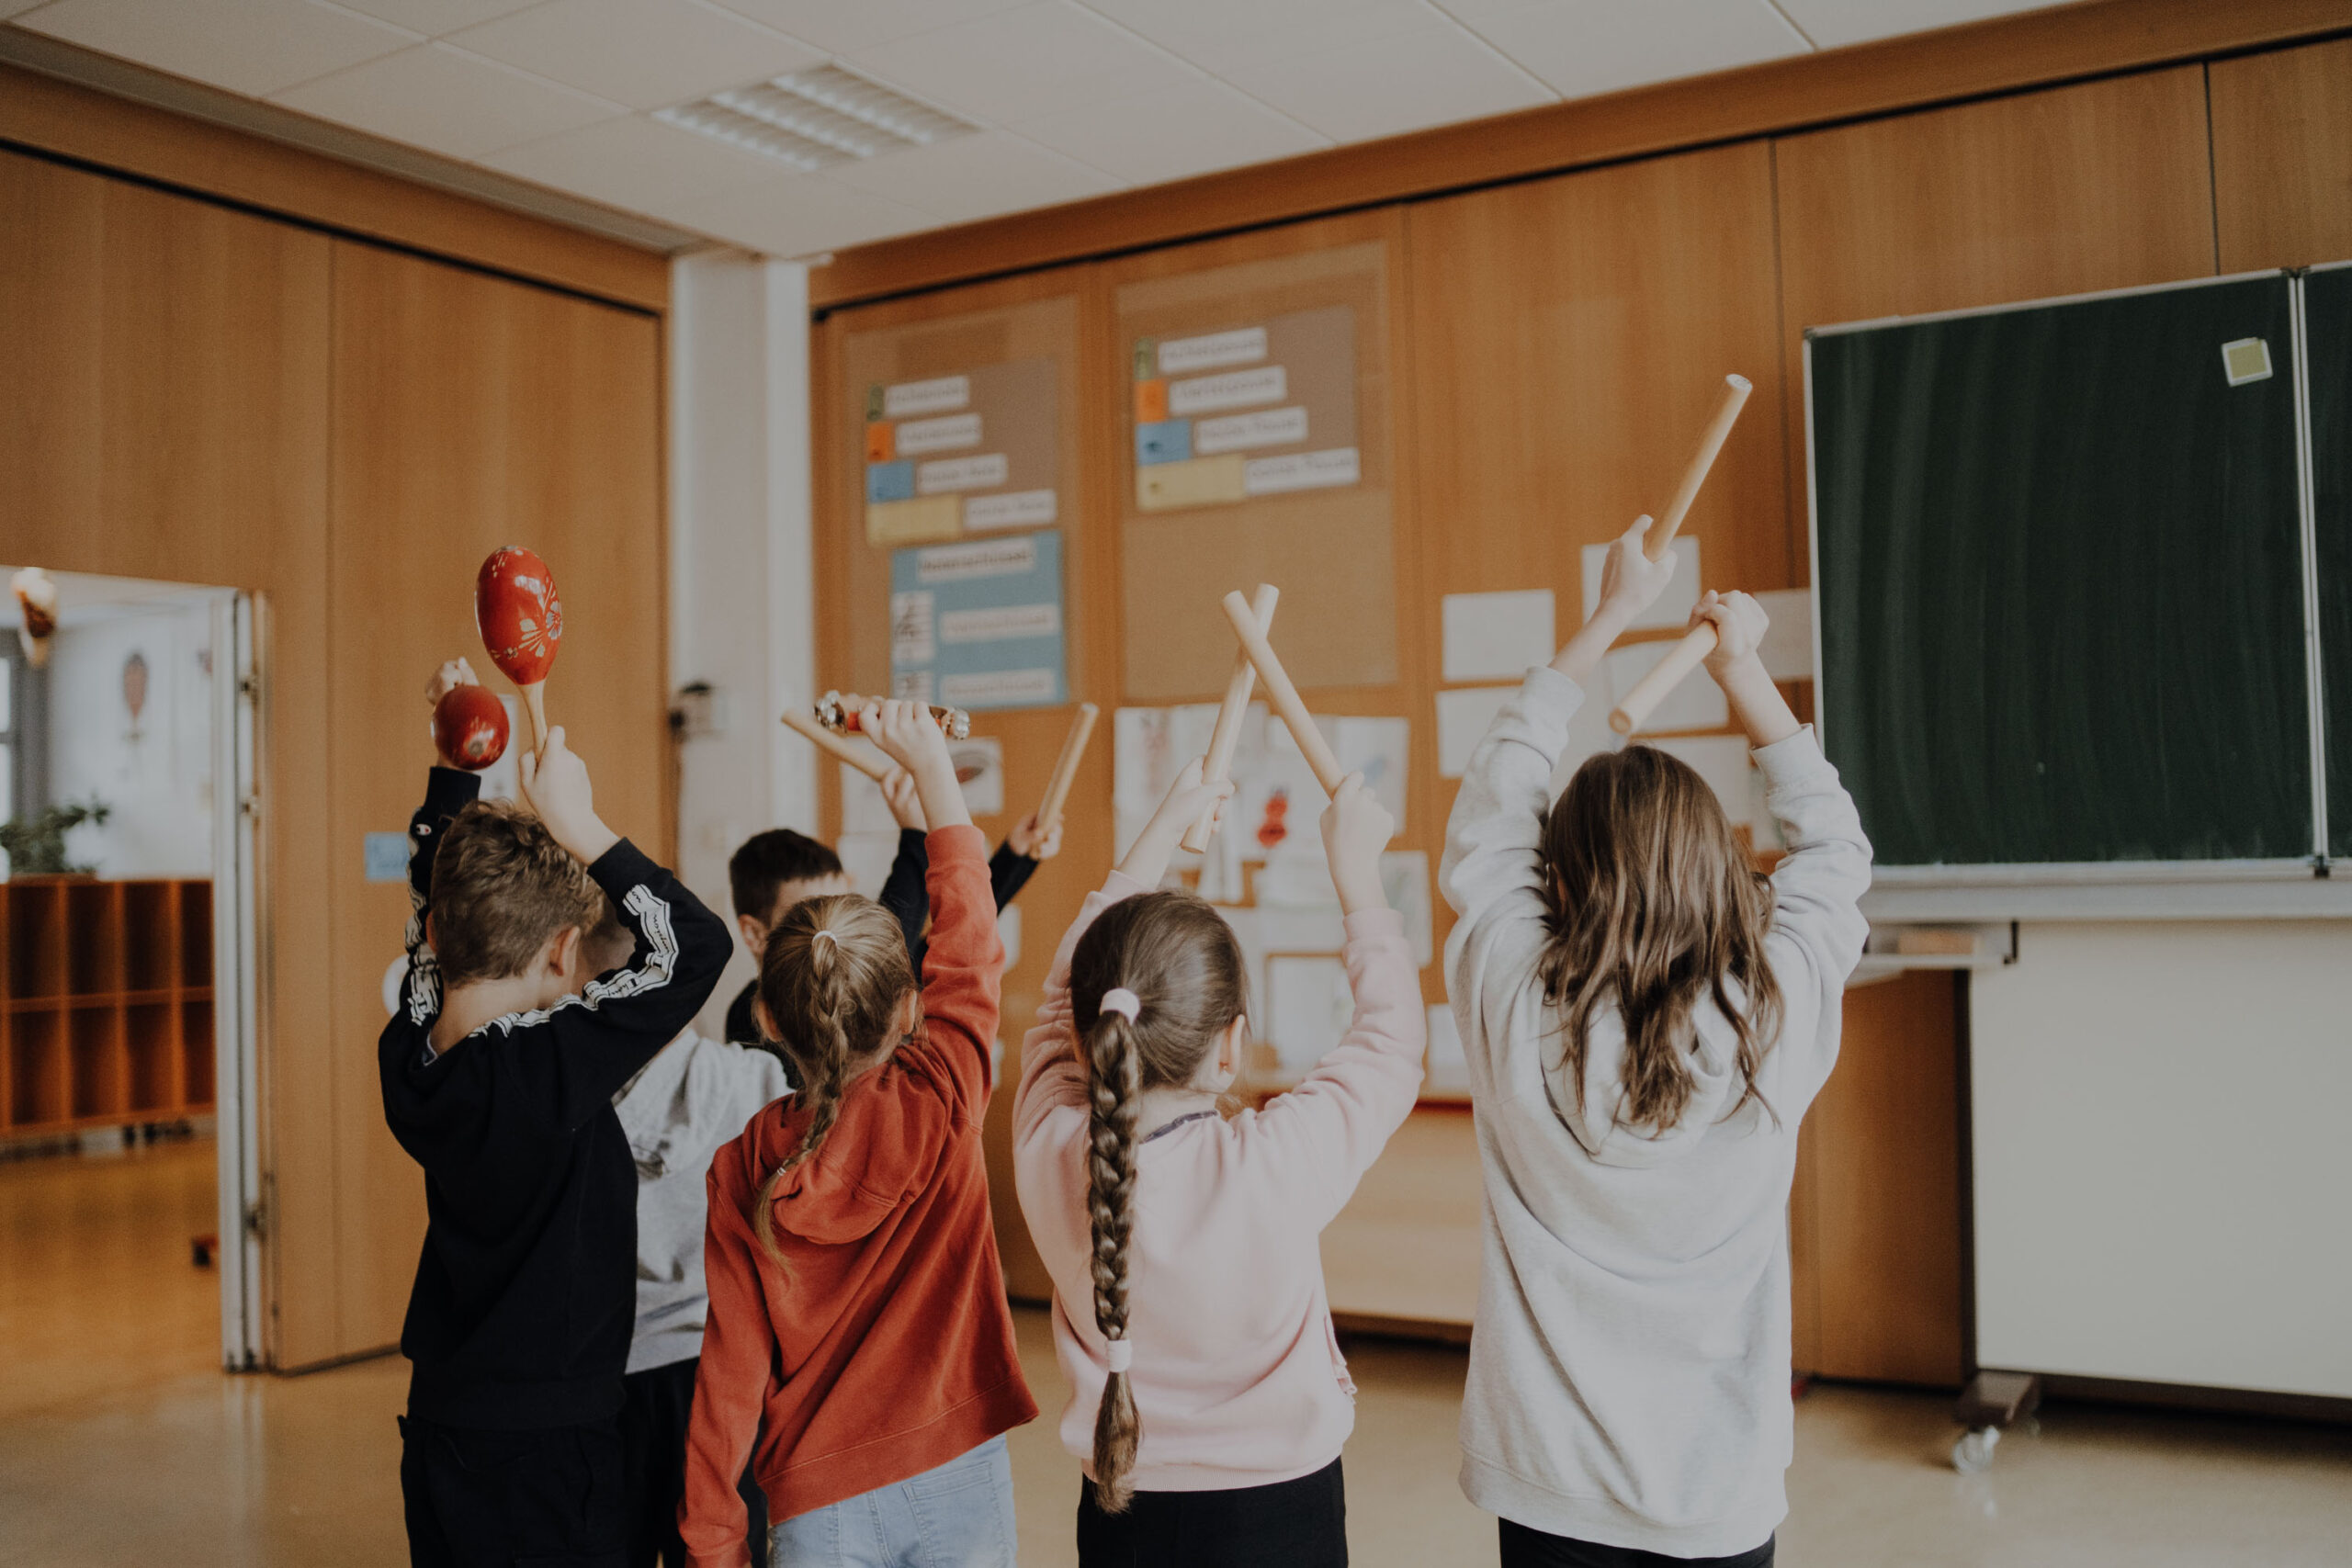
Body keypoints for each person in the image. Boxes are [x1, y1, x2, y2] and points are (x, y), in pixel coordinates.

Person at [1440, 518, 1872, 1567]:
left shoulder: (1508, 1001)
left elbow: (1492, 812)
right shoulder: (1777, 1013)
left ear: (1555, 885)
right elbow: (1834, 844)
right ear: (1721, 869)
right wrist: (1745, 674)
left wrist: (1609, 618)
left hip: (1549, 1483)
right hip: (1718, 1487)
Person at [1013, 758, 1426, 1568]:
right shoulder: (1275, 1162)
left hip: (1119, 1502)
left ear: (1087, 1035)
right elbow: (1392, 1041)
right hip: (1279, 1509)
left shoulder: (1048, 1144)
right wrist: (1358, 877)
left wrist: (1157, 835)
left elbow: (1058, 1002)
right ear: (1232, 1043)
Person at [381, 659, 731, 1568]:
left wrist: (458, 763)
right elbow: (698, 947)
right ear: (567, 950)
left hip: (444, 1417)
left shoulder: (413, 1051)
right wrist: (581, 826)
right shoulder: (547, 1064)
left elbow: (434, 905)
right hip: (551, 1438)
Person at [679, 698, 1035, 1568]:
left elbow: (727, 1382)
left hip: (816, 1504)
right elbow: (971, 948)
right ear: (911, 1008)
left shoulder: (741, 1167)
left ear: (765, 1017)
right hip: (958, 1464)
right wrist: (933, 774)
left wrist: (715, 1548)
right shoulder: (945, 1091)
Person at [607, 959, 789, 1568]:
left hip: (617, 1368)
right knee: (724, 1547)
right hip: (725, 1369)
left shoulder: (570, 1102)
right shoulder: (756, 1078)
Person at [719, 787, 1062, 1046]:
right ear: (753, 933)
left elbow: (957, 928)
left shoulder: (883, 970)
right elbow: (883, 954)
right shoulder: (748, 1019)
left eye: (844, 909)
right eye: (812, 917)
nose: (843, 931)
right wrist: (914, 838)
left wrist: (1016, 855)